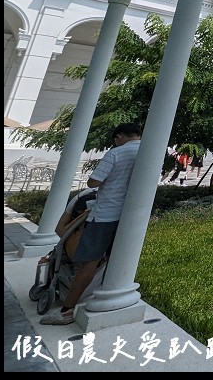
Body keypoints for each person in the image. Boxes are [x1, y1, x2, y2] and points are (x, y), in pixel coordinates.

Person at [41, 122, 143, 326]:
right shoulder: (149, 151)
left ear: (119, 136)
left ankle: (67, 310)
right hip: (131, 216)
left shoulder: (116, 153)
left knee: (90, 262)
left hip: (105, 214)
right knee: (115, 259)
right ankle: (111, 294)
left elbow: (93, 182)